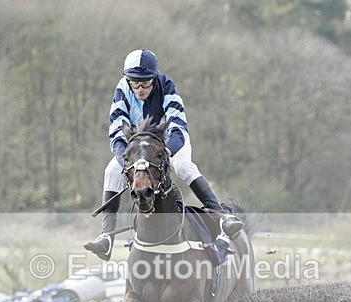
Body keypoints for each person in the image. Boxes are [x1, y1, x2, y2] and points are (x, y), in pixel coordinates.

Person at [84, 49, 244, 261]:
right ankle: (106, 238)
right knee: (111, 171)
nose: (140, 89)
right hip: (138, 146)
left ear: (154, 78)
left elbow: (178, 128)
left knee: (183, 167)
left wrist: (167, 152)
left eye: (146, 84)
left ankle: (223, 218)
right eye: (135, 83)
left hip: (170, 141)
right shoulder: (122, 88)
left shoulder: (167, 86)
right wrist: (128, 160)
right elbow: (116, 133)